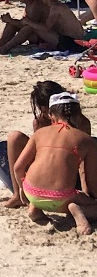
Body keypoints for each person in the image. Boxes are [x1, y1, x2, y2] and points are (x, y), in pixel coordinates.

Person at [12, 93, 97, 233]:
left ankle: (35, 207)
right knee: (89, 204)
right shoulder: (86, 140)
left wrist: (23, 190)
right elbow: (92, 182)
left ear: (51, 115)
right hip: (62, 198)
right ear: (79, 115)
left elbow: (18, 167)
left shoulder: (39, 133)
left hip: (32, 191)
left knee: (42, 193)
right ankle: (77, 210)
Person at [0, 81, 62, 209]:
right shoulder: (40, 122)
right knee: (14, 138)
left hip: (67, 168)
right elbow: (39, 152)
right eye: (44, 112)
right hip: (46, 165)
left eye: (49, 111)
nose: (47, 115)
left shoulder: (78, 121)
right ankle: (17, 195)